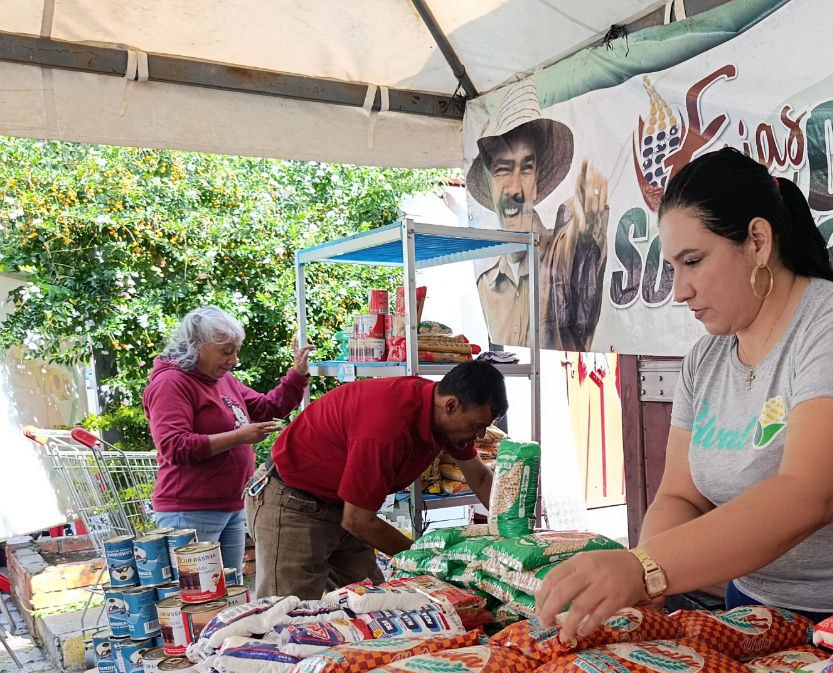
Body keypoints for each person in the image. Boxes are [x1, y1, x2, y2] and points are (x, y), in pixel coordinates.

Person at [536, 147, 833, 640]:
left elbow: (811, 493)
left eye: (693, 261)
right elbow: (681, 494)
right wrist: (647, 577)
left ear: (758, 241)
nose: (680, 290)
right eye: (673, 268)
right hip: (758, 610)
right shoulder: (706, 358)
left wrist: (646, 568)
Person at [247, 361, 507, 599]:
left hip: (342, 507)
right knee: (289, 616)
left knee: (374, 606)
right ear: (451, 405)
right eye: (477, 426)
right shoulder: (388, 425)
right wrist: (425, 559)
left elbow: (480, 478)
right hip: (294, 504)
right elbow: (358, 521)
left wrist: (513, 532)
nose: (480, 434)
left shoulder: (445, 415)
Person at [143, 306, 312, 581]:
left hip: (231, 505)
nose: (234, 360)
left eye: (236, 351)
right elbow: (174, 446)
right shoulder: (171, 383)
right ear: (197, 346)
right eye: (226, 352)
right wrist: (240, 436)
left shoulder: (221, 379)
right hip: (189, 510)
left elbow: (267, 407)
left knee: (229, 593)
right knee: (199, 596)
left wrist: (296, 376)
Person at [467, 80, 609, 352]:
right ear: (490, 183)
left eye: (526, 168)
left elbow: (583, 249)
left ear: (537, 179)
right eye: (502, 170)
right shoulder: (486, 283)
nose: (515, 188)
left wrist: (590, 225)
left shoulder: (560, 251)